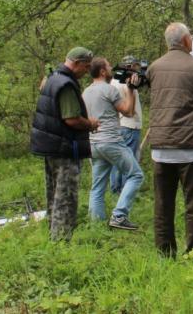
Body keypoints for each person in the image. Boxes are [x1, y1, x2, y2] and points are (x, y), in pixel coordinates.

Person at [147, 22, 193, 258]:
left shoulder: (153, 69)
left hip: (160, 147)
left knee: (163, 204)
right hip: (192, 148)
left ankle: (165, 254)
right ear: (186, 41)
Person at [30, 46, 99, 241]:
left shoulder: (52, 78)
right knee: (66, 197)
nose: (87, 71)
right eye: (86, 67)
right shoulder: (66, 85)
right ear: (76, 63)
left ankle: (54, 237)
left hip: (51, 146)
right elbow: (72, 119)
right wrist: (91, 124)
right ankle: (61, 241)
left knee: (54, 194)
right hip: (64, 148)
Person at [83, 57, 144, 230]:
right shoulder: (109, 89)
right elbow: (128, 112)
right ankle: (119, 215)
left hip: (93, 143)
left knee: (97, 186)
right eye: (109, 66)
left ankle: (97, 226)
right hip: (111, 141)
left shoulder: (86, 92)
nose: (112, 69)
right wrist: (131, 89)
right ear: (102, 71)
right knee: (136, 175)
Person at [109, 55, 144, 194]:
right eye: (135, 66)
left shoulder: (113, 81)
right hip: (129, 125)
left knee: (118, 159)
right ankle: (125, 189)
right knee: (129, 160)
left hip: (118, 124)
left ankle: (115, 188)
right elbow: (130, 107)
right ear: (130, 66)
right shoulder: (127, 82)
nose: (137, 70)